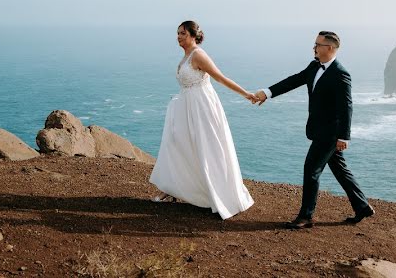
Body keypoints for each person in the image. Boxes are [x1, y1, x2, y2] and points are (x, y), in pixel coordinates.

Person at [254, 30, 374, 228]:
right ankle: (362, 206)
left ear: (329, 48)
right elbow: (294, 80)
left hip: (330, 133)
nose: (314, 48)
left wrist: (344, 137)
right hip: (318, 129)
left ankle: (306, 216)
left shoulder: (341, 74)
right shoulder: (313, 66)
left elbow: (347, 107)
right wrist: (267, 93)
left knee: (311, 170)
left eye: (318, 45)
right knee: (339, 169)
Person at [149, 20, 255, 219]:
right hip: (186, 106)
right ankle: (172, 187)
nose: (178, 36)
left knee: (207, 149)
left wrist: (245, 94)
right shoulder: (186, 55)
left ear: (192, 35)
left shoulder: (198, 55)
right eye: (177, 33)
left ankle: (219, 195)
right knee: (176, 143)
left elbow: (220, 78)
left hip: (202, 108)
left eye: (182, 33)